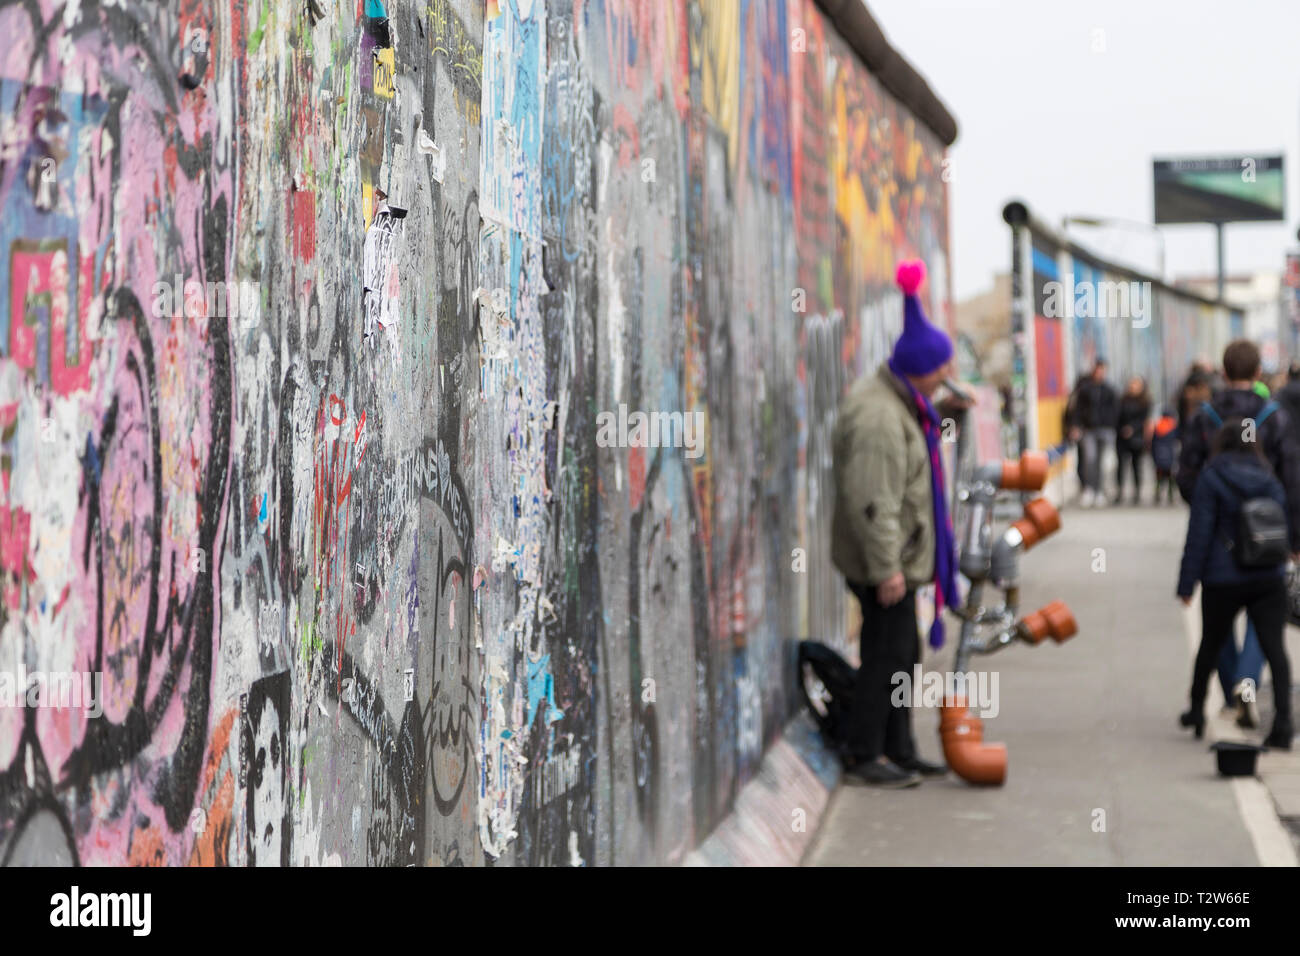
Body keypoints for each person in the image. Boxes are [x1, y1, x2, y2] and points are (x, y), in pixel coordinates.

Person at [831, 259, 964, 788]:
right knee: (885, 658)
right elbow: (873, 502)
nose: (944, 380)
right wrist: (887, 568)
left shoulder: (904, 402)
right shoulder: (881, 418)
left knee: (903, 655)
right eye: (941, 372)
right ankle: (865, 753)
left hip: (898, 561)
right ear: (920, 371)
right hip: (882, 563)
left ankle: (899, 748)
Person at [1177, 340, 1300, 728]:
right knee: (1267, 627)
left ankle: (1230, 686)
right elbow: (1293, 478)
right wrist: (1293, 539)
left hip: (1220, 538)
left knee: (1217, 623)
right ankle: (1247, 683)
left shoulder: (1204, 416)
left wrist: (1209, 501)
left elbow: (1186, 475)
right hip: (1267, 538)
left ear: (1224, 373)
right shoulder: (1274, 416)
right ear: (1258, 373)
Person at [1065, 360, 1119, 507]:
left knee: (1102, 462)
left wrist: (1111, 425)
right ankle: (1089, 488)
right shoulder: (1085, 389)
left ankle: (1100, 490)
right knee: (1090, 460)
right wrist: (1076, 426)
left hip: (1104, 429)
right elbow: (1077, 410)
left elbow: (1115, 410)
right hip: (1088, 430)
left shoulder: (1109, 390)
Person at [1115, 376, 1151, 505]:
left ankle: (1137, 492)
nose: (1133, 387)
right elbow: (1117, 417)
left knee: (1136, 466)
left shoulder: (1144, 402)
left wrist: (1133, 429)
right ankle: (1120, 491)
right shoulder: (1122, 400)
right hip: (1122, 437)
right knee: (1120, 466)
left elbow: (1144, 420)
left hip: (1136, 437)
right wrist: (1122, 429)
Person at [1150, 406, 1179, 505]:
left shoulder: (1157, 426)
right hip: (1170, 455)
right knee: (1171, 477)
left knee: (1159, 477)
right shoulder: (1173, 426)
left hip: (1159, 455)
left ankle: (1157, 494)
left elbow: (1153, 443)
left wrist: (1153, 456)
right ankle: (1170, 496)